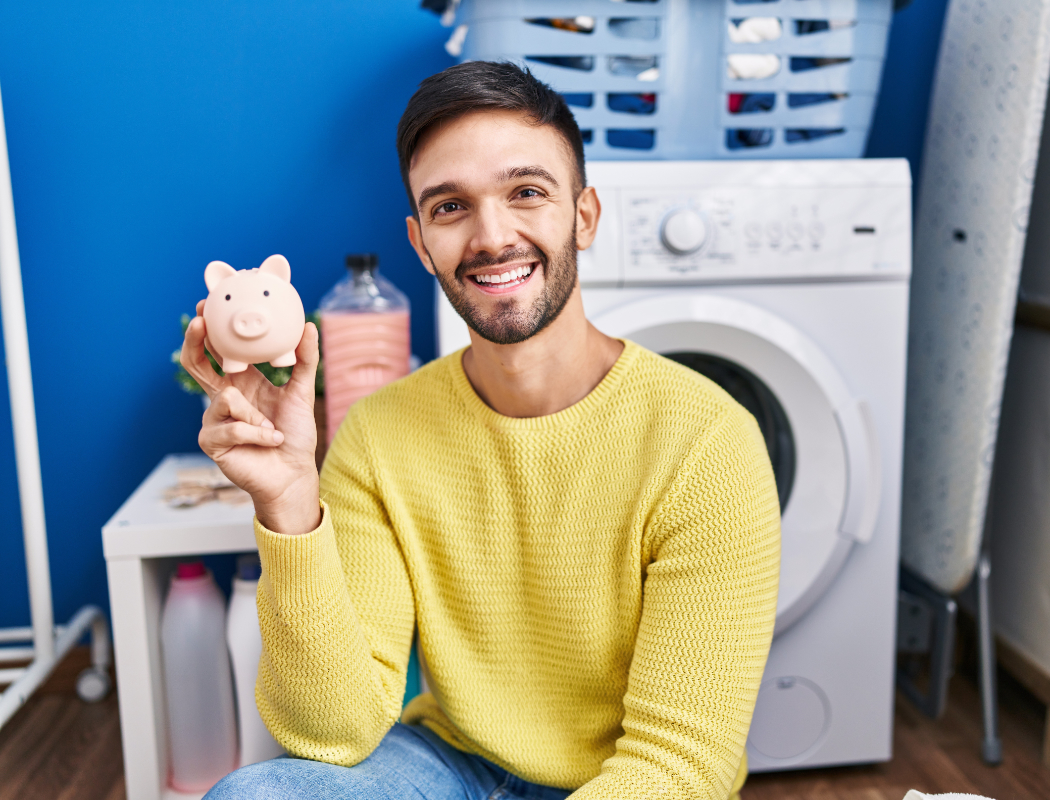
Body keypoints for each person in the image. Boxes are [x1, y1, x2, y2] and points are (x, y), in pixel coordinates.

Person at [187, 61, 780, 800]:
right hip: (450, 767)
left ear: (584, 215)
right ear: (419, 242)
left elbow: (680, 765)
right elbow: (332, 735)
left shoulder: (708, 443)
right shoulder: (379, 434)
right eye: (450, 208)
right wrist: (287, 505)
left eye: (526, 192)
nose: (492, 236)